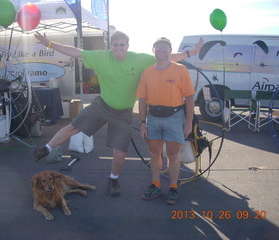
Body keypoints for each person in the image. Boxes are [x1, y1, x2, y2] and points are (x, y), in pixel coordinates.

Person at [33, 31, 202, 197]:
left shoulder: (140, 59)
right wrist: (49, 44)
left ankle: (113, 179)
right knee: (73, 127)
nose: (119, 47)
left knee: (119, 152)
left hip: (124, 112)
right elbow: (75, 52)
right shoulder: (101, 56)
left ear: (128, 46)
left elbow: (167, 57)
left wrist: (190, 53)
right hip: (102, 104)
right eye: (115, 44)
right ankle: (46, 149)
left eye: (122, 44)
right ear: (110, 46)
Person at [136, 37, 195, 205]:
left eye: (165, 47)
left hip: (175, 118)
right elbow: (142, 99)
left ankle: (173, 188)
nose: (161, 50)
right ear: (153, 50)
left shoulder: (180, 70)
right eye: (158, 47)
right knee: (154, 153)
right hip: (153, 118)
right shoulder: (147, 72)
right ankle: (155, 185)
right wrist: (142, 122)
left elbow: (190, 97)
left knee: (173, 155)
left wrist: (188, 122)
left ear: (170, 51)